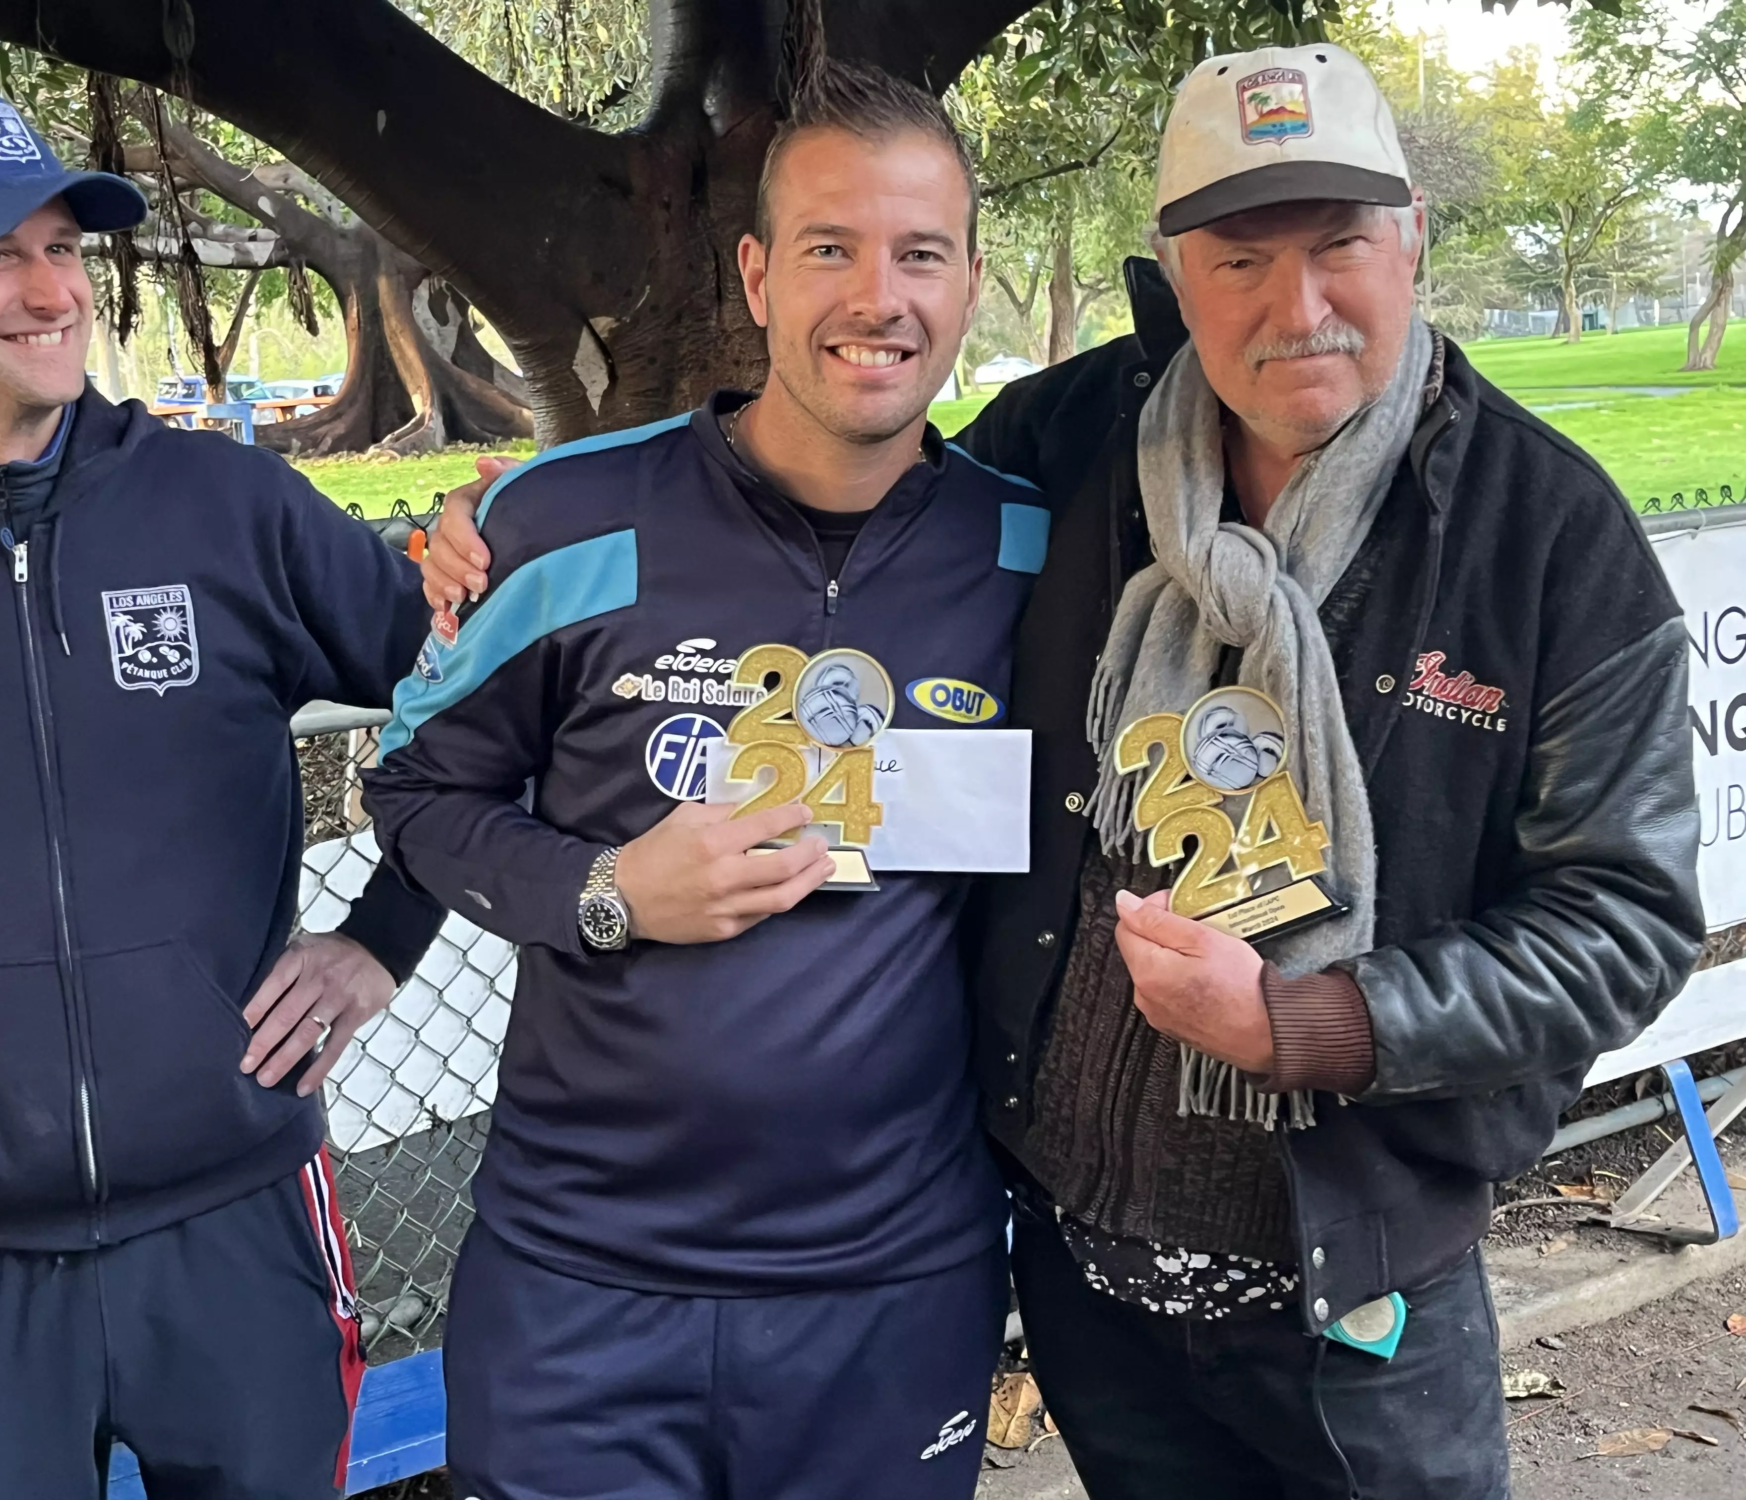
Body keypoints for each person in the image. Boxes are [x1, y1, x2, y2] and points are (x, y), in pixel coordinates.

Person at [420, 43, 1704, 1499]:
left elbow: (1625, 924)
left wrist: (1315, 1023)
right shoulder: (1078, 448)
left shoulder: (1550, 541)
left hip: (1356, 1295)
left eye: (1341, 244)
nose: (1298, 309)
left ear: (1412, 234)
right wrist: (508, 523)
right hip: (1089, 1293)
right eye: (1238, 259)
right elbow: (843, 494)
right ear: (1174, 270)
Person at [0, 92, 447, 1499]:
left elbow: (477, 707)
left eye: (66, 246)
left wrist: (385, 935)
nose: (55, 288)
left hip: (242, 1222)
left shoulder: (225, 506)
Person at [363, 58, 1045, 1500]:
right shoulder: (557, 524)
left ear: (972, 281)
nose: (880, 295)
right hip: (582, 1290)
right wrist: (607, 891)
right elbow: (416, 792)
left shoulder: (1038, 557)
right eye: (829, 249)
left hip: (892, 1291)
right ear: (753, 276)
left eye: (920, 252)